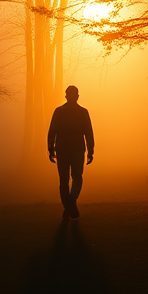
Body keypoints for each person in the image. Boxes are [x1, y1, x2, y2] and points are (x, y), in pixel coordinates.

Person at [47, 85, 95, 219]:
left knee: (63, 180)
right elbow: (88, 132)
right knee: (77, 177)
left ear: (66, 96)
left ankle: (67, 207)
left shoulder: (59, 111)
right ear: (78, 96)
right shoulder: (83, 112)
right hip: (78, 150)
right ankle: (72, 200)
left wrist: (51, 148)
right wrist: (90, 150)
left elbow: (52, 131)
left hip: (62, 150)